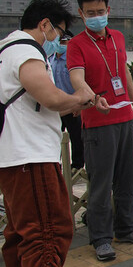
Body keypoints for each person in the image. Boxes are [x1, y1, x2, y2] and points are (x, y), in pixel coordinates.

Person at [0, 0, 103, 267]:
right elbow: (50, 98)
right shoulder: (25, 50)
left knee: (20, 232)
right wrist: (80, 100)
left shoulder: (4, 51)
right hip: (30, 158)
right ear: (44, 25)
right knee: (47, 229)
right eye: (59, 32)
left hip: (15, 157)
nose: (59, 40)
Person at [66, 0, 133, 262]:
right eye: (90, 13)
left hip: (125, 118)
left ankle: (127, 228)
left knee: (128, 178)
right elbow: (76, 78)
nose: (96, 16)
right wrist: (92, 99)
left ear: (108, 11)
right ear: (81, 13)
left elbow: (124, 72)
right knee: (101, 184)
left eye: (100, 11)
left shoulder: (117, 37)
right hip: (97, 122)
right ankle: (101, 238)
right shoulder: (76, 44)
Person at [50, 30, 85, 170]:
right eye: (59, 41)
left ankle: (77, 166)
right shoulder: (51, 59)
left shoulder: (73, 60)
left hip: (72, 105)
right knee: (54, 137)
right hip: (56, 106)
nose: (61, 44)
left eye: (65, 41)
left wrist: (79, 105)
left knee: (76, 137)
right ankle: (54, 165)